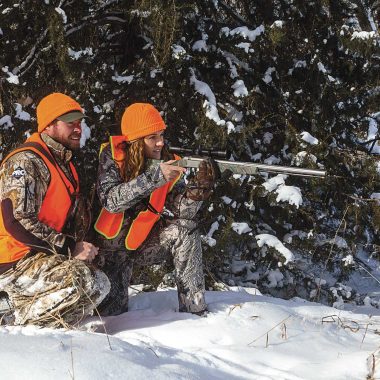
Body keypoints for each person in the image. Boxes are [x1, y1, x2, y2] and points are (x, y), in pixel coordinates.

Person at [94, 102, 217, 316]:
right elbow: (112, 201)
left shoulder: (165, 162)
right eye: (152, 137)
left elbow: (182, 210)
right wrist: (155, 177)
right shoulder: (112, 158)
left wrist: (198, 190)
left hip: (141, 243)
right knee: (111, 315)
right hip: (110, 253)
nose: (160, 142)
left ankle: (194, 310)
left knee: (185, 228)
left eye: (161, 135)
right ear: (134, 141)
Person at [0, 92, 110, 328]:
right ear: (49, 125)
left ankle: (36, 323)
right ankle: (11, 315)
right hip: (12, 261)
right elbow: (16, 221)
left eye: (80, 123)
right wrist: (70, 248)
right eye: (70, 123)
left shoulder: (63, 162)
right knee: (81, 281)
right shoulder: (26, 161)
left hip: (38, 256)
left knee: (100, 283)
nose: (78, 129)